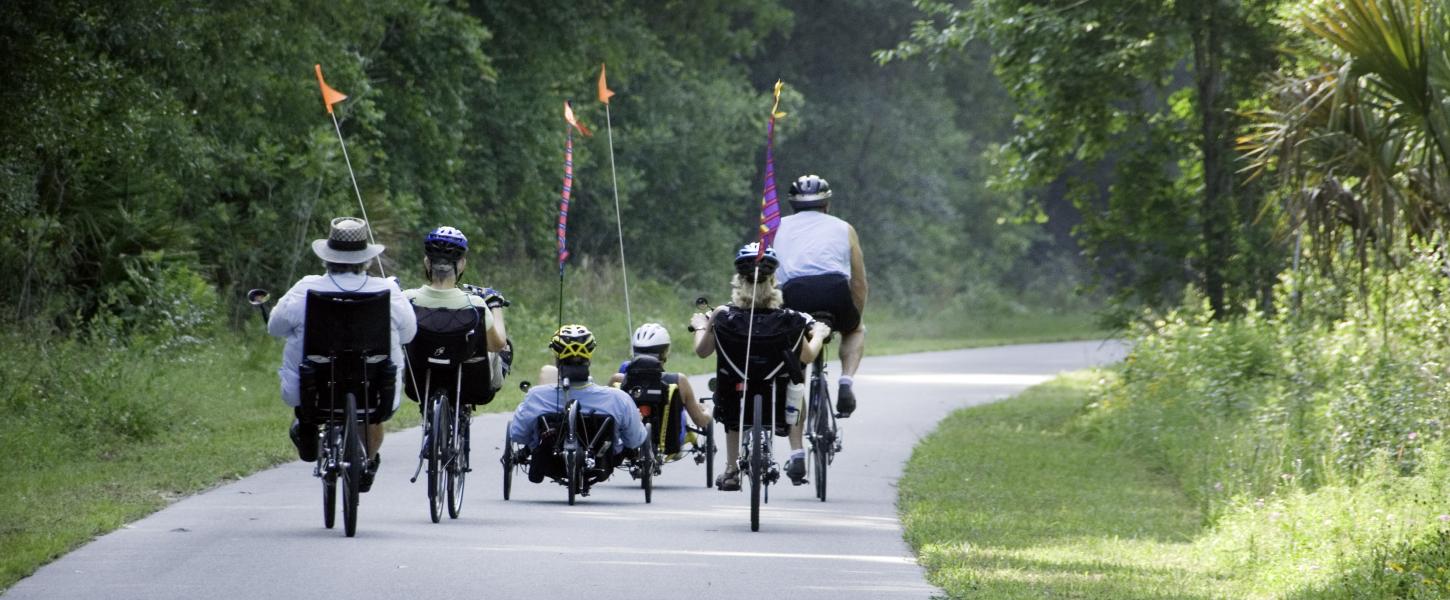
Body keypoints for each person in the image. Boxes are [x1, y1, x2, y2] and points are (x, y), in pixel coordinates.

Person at [268, 216, 417, 492]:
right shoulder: (388, 291)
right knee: (369, 415)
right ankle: (368, 461)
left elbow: (275, 327)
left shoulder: (306, 288)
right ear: (365, 259)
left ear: (328, 257)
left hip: (316, 385)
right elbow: (408, 334)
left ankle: (308, 428)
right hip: (372, 387)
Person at [692, 243, 829, 490]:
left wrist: (702, 325)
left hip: (736, 394)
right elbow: (807, 357)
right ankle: (797, 451)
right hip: (778, 398)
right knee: (794, 385)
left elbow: (702, 351)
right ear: (773, 281)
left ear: (738, 281)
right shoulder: (791, 319)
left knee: (731, 397)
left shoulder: (722, 315)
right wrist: (818, 334)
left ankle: (732, 470)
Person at [773, 174, 868, 417]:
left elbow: (768, 277)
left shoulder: (775, 227)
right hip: (835, 289)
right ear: (826, 204)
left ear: (793, 205)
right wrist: (853, 317)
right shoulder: (844, 228)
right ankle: (846, 380)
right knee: (855, 330)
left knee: (795, 342)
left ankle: (797, 397)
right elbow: (858, 282)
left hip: (795, 292)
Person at [508, 325, 649, 483]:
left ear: (556, 359)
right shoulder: (617, 398)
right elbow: (635, 440)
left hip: (550, 463)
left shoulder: (536, 396)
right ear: (589, 358)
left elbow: (517, 434)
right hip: (602, 464)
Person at [403, 225, 510, 397]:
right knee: (504, 348)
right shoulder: (476, 304)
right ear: (461, 264)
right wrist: (495, 305)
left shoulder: (407, 299)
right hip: (467, 379)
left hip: (419, 377)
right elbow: (497, 344)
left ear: (427, 261)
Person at [609, 323, 713, 443]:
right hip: (670, 442)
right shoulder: (679, 380)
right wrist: (708, 411)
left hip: (627, 442)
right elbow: (700, 421)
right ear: (664, 353)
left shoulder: (617, 380)